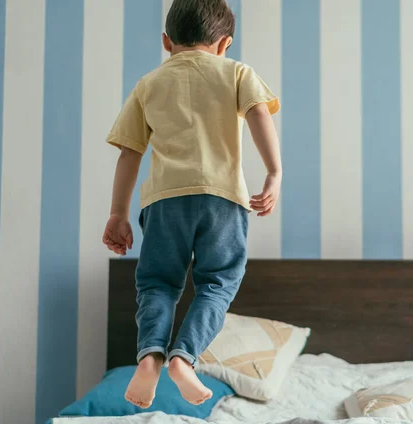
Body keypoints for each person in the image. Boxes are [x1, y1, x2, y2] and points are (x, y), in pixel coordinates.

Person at [102, 0, 280, 408]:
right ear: (224, 44)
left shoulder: (149, 83)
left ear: (167, 42)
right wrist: (274, 173)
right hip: (222, 200)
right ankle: (184, 358)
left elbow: (129, 153)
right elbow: (258, 116)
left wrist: (118, 214)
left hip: (165, 202)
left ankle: (150, 357)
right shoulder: (237, 72)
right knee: (218, 282)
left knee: (158, 284)